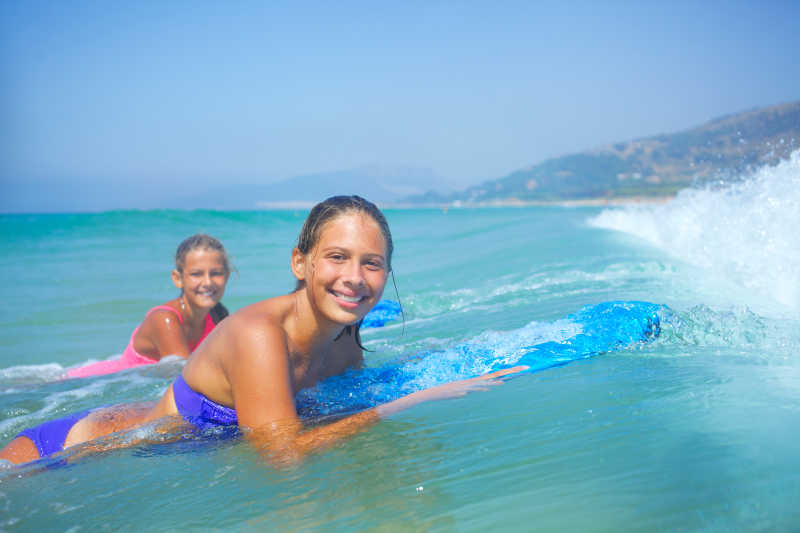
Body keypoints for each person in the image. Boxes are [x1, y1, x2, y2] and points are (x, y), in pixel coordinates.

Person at [0, 196, 524, 466]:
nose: (354, 278)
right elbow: (282, 456)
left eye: (372, 263)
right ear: (300, 262)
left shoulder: (344, 346)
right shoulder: (257, 334)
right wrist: (413, 400)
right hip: (70, 454)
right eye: (338, 257)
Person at [65, 234, 232, 379]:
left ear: (227, 275)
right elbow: (186, 376)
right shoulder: (165, 319)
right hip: (94, 382)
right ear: (178, 278)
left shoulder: (218, 315)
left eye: (216, 273)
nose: (208, 282)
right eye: (196, 274)